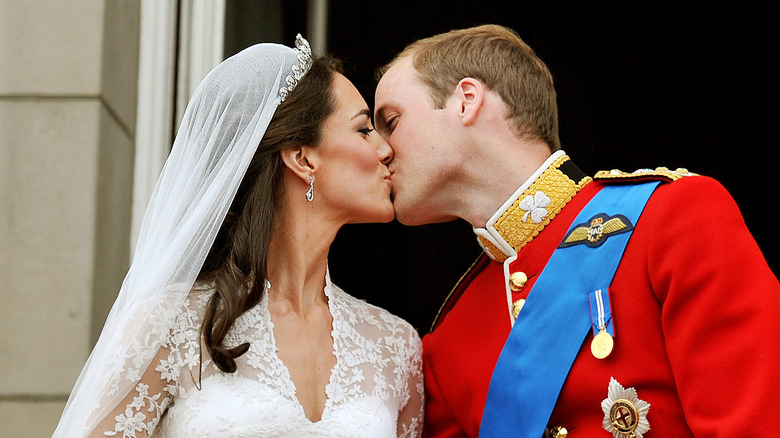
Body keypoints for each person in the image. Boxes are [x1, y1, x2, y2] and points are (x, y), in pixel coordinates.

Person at [374, 24, 780, 437]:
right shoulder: (447, 343)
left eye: (391, 120)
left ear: (466, 101)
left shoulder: (673, 217)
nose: (379, 149)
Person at [53, 35, 423, 438]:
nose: (386, 149)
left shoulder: (396, 346)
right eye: (364, 129)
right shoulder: (169, 325)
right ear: (303, 158)